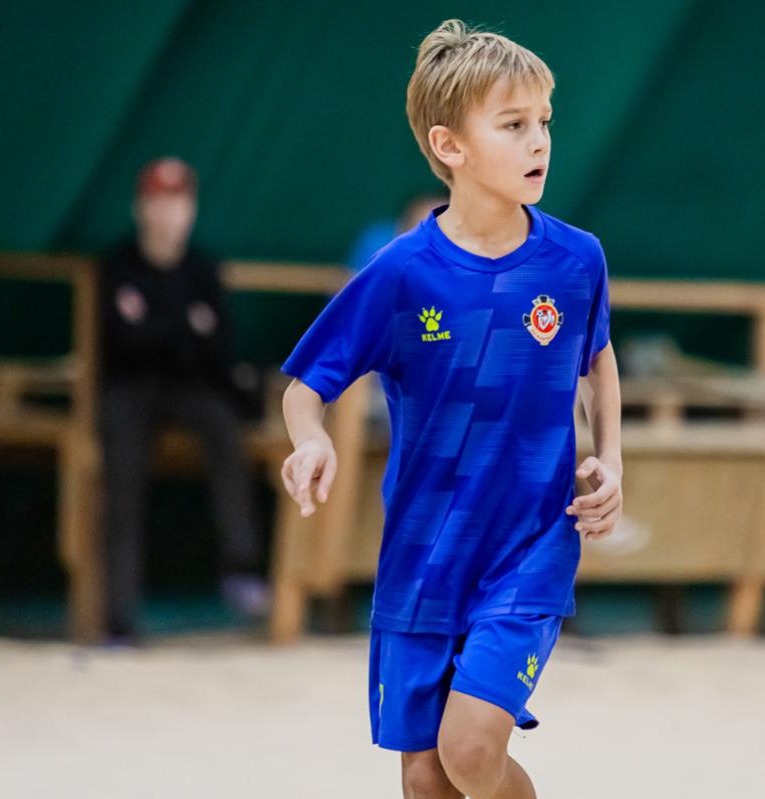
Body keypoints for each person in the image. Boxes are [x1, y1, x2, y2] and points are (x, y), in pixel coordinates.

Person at [280, 20, 622, 799]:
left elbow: (597, 356)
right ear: (449, 146)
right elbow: (305, 386)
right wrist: (310, 441)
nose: (539, 141)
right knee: (426, 778)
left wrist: (610, 458)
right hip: (422, 556)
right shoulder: (401, 271)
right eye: (513, 124)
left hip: (528, 546)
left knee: (469, 751)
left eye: (543, 121)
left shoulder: (576, 259)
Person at [98, 157, 267, 645]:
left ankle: (240, 569)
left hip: (193, 390)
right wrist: (185, 329)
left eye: (176, 202)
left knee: (225, 430)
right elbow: (121, 342)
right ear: (139, 208)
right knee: (120, 470)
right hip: (131, 390)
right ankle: (119, 620)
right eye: (157, 201)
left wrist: (154, 326)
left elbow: (218, 344)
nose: (167, 213)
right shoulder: (118, 265)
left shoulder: (203, 267)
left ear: (191, 210)